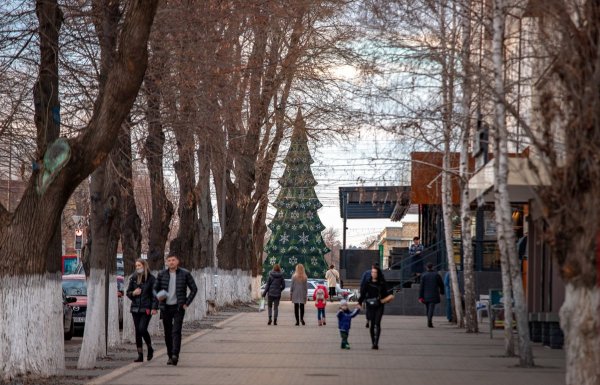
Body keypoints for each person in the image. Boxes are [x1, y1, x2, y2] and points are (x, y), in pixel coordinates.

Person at [154, 253, 198, 366]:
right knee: (168, 333)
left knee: (176, 331)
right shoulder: (161, 274)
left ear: (177, 261)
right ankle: (169, 355)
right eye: (169, 260)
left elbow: (194, 289)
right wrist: (157, 301)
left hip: (178, 307)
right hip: (165, 308)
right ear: (166, 262)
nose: (171, 262)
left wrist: (186, 303)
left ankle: (175, 355)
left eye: (173, 260)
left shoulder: (185, 274)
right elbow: (155, 290)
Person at [126, 258, 157, 362]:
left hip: (146, 308)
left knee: (142, 329)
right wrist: (133, 293)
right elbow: (128, 293)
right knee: (138, 332)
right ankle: (140, 355)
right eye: (136, 266)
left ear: (144, 266)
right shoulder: (133, 278)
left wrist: (154, 308)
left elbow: (154, 296)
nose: (137, 268)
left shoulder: (151, 279)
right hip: (135, 309)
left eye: (139, 266)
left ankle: (150, 348)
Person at [358, 266, 394, 349]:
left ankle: (376, 343)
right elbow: (363, 294)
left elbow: (386, 294)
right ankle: (373, 341)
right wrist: (359, 303)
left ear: (378, 273)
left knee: (377, 323)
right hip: (370, 305)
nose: (373, 274)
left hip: (379, 305)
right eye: (372, 272)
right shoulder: (368, 282)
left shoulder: (382, 283)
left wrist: (386, 299)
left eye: (375, 272)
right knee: (372, 324)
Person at [419, 263, 445, 328]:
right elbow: (441, 285)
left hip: (425, 295)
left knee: (428, 308)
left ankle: (429, 320)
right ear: (433, 267)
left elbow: (421, 287)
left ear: (426, 267)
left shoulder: (424, 275)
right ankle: (429, 321)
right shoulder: (436, 275)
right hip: (434, 294)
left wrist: (420, 297)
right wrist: (442, 292)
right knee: (431, 308)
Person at [359, 262, 379, 328]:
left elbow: (362, 283)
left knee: (368, 308)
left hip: (368, 294)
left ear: (372, 266)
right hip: (376, 295)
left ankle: (367, 321)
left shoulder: (366, 273)